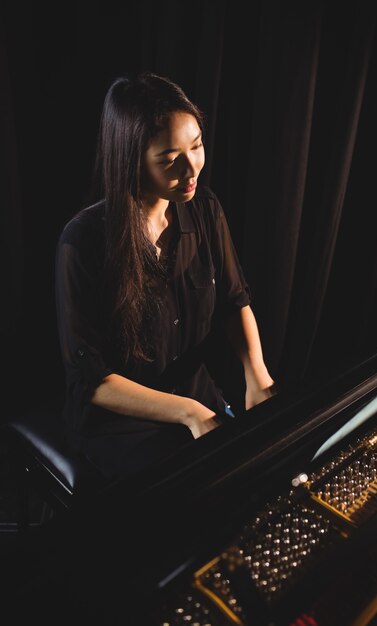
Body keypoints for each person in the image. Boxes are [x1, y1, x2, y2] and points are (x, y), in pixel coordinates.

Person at [55, 71, 276, 482]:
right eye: (170, 159)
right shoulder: (83, 241)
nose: (192, 168)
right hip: (124, 423)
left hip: (197, 398)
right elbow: (92, 381)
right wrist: (187, 413)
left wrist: (257, 375)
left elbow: (234, 301)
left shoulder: (205, 209)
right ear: (132, 160)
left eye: (197, 146)